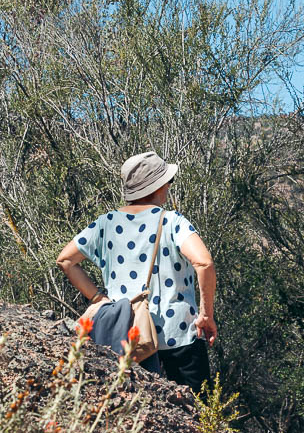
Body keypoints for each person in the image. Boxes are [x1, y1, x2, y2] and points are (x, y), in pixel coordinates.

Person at [56, 151, 216, 393]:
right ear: (159, 186)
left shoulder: (105, 223)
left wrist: (99, 299)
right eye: (168, 181)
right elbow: (204, 263)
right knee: (198, 413)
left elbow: (66, 260)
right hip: (179, 336)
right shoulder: (171, 221)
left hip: (130, 336)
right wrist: (206, 315)